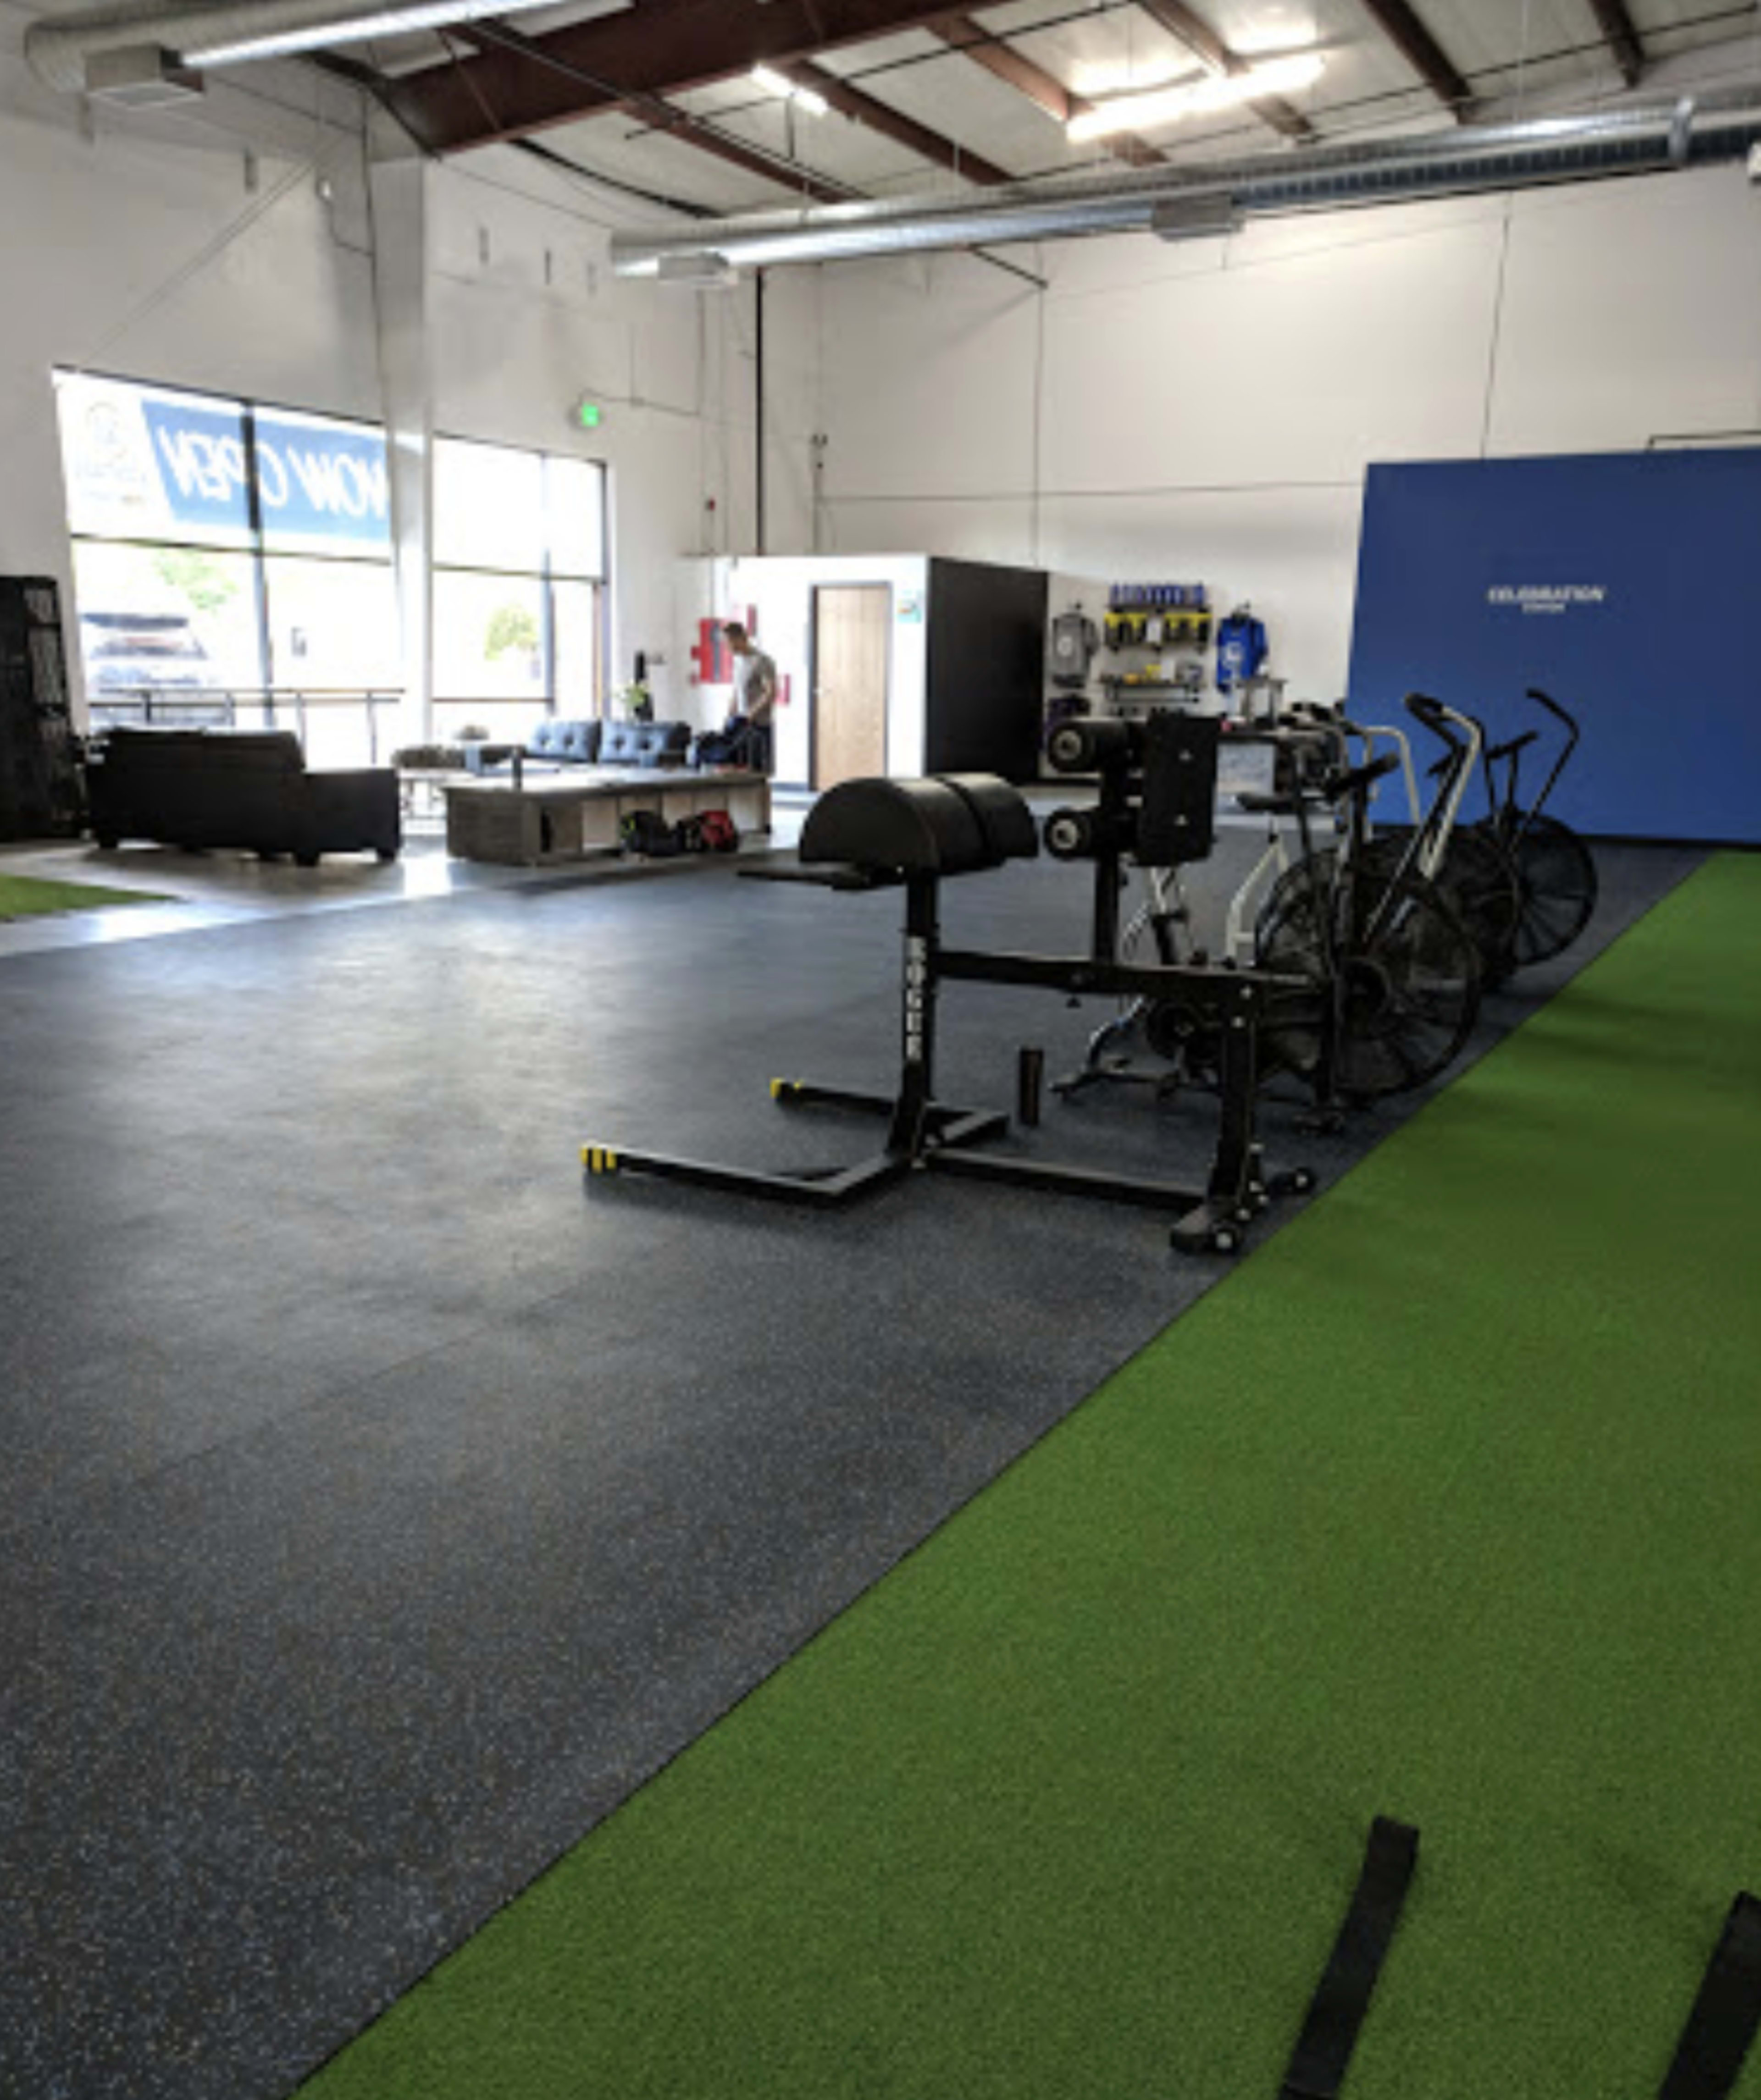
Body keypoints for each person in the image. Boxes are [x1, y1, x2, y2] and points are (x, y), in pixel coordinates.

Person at [720, 621, 777, 773]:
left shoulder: (762, 662)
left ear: (741, 639)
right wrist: (730, 715)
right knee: (738, 768)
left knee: (759, 772)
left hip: (759, 725)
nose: (727, 647)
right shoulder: (738, 661)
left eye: (729, 642)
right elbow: (737, 691)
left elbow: (770, 693)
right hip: (741, 724)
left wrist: (752, 714)